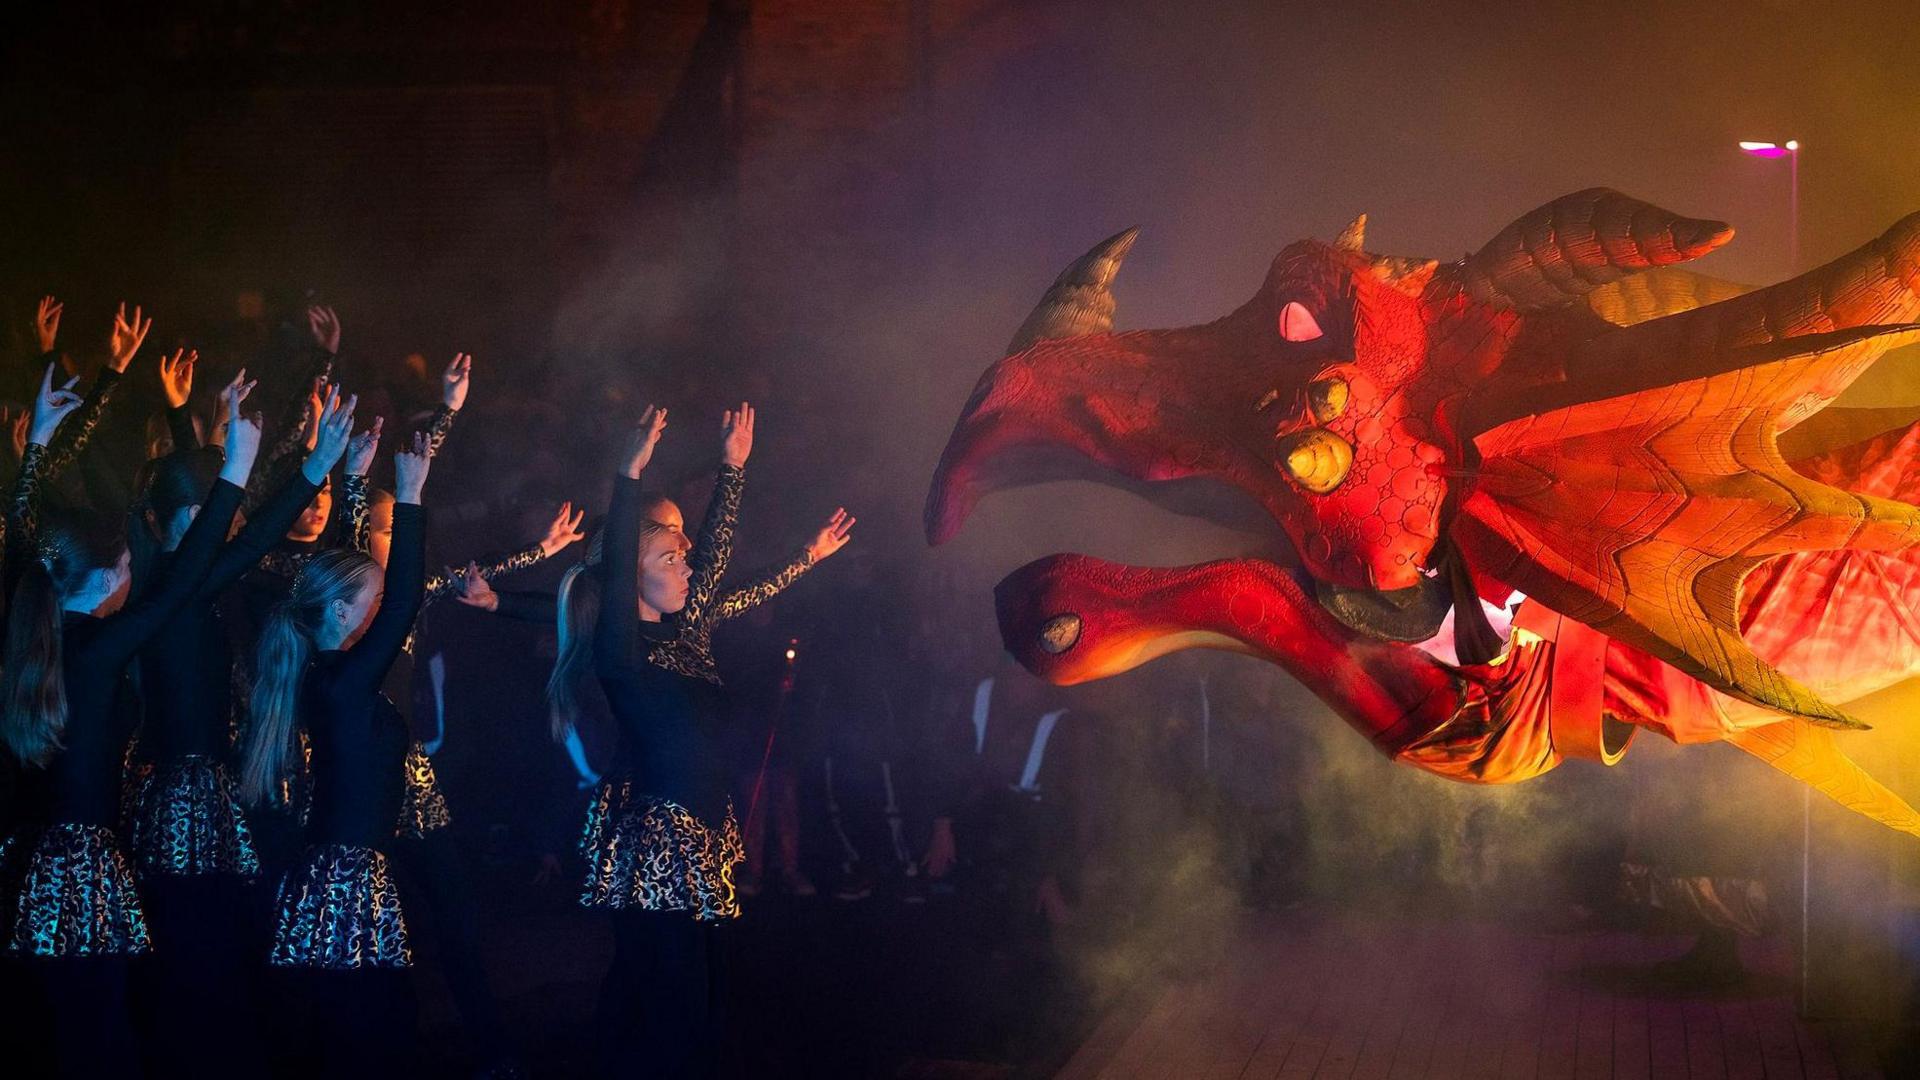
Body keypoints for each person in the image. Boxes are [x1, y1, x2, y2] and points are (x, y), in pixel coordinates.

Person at [1, 364, 264, 1078]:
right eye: (124, 565)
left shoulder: (40, 631)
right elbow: (180, 582)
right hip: (75, 866)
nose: (132, 574)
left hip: (35, 857)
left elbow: (23, 539)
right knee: (97, 1035)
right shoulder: (93, 650)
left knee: (67, 1026)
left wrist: (38, 446)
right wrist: (236, 468)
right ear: (108, 579)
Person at [578, 402, 851, 1077]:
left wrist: (735, 473)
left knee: (671, 993)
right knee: (677, 1003)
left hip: (697, 830)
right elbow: (616, 569)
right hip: (657, 841)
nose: (691, 564)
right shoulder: (622, 652)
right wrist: (628, 472)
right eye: (672, 555)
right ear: (632, 576)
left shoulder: (687, 635)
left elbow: (723, 559)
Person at [125, 382, 358, 1079]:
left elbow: (246, 531)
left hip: (205, 790)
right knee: (201, 954)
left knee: (217, 950)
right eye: (211, 513)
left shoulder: (182, 578)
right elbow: (251, 530)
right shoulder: (174, 583)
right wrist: (311, 470)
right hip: (185, 800)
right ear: (189, 519)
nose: (226, 524)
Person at [238, 431, 432, 1077]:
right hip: (344, 874)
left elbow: (398, 599)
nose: (383, 610)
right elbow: (407, 599)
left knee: (357, 1027)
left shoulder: (335, 677)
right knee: (361, 1032)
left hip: (342, 867)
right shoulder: (341, 682)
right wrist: (409, 496)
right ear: (346, 609)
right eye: (371, 601)